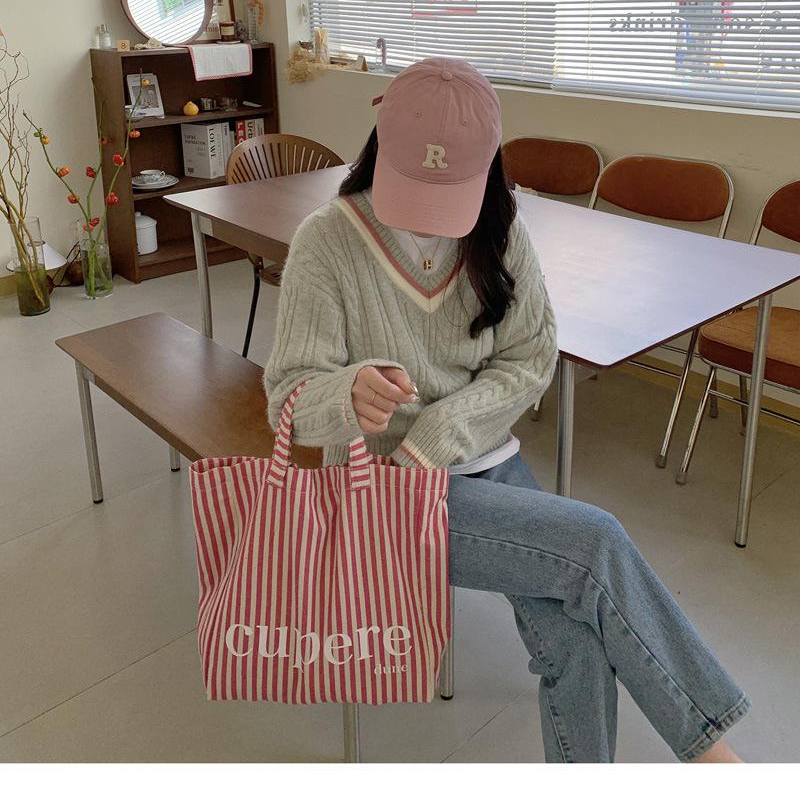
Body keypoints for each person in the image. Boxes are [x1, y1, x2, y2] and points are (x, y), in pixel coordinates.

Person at [263, 56, 750, 763]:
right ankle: (718, 761)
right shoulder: (327, 242)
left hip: (485, 464)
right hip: (381, 490)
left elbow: (529, 358)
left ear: (489, 163)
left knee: (577, 640)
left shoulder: (502, 230)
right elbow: (288, 399)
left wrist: (441, 431)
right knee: (596, 541)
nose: (430, 214)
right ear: (380, 143)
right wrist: (345, 394)